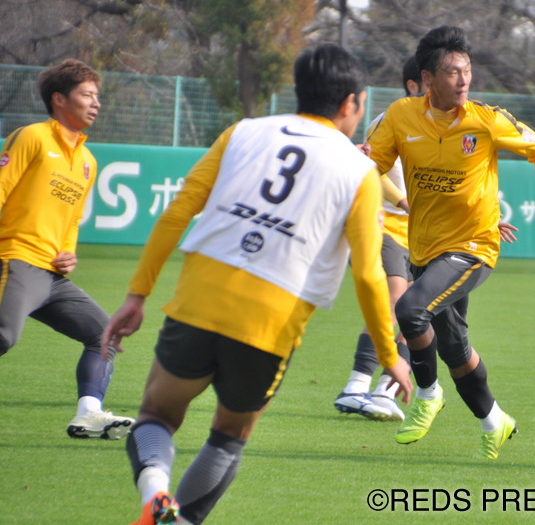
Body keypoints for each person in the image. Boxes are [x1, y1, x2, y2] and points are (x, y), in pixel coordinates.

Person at [101, 43, 413, 525]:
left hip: (199, 300)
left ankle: (156, 493)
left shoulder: (243, 133)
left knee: (157, 417)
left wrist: (137, 295)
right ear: (351, 103)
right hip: (271, 323)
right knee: (229, 437)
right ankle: (179, 520)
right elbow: (369, 274)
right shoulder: (358, 171)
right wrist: (390, 356)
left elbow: (177, 213)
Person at [367, 25, 535, 459]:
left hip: (473, 246)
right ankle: (495, 421)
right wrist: (354, 165)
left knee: (410, 310)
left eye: (466, 70)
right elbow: (375, 165)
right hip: (425, 249)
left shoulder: (486, 120)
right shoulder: (401, 116)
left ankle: (427, 395)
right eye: (452, 72)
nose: (463, 80)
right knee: (454, 349)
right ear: (428, 79)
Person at [0, 59, 135, 440]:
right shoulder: (32, 137)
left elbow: (72, 220)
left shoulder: (88, 161)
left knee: (103, 335)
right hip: (17, 259)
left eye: (97, 95)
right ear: (59, 99)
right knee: (4, 336)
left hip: (53, 275)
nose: (96, 103)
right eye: (87, 95)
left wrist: (68, 252)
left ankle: (89, 414)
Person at [334, 55, 427, 421]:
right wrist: (403, 200)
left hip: (422, 234)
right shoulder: (389, 121)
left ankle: (384, 392)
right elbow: (372, 167)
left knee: (416, 314)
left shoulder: (448, 126)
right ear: (413, 85)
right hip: (384, 223)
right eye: (434, 80)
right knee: (393, 302)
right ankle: (355, 386)